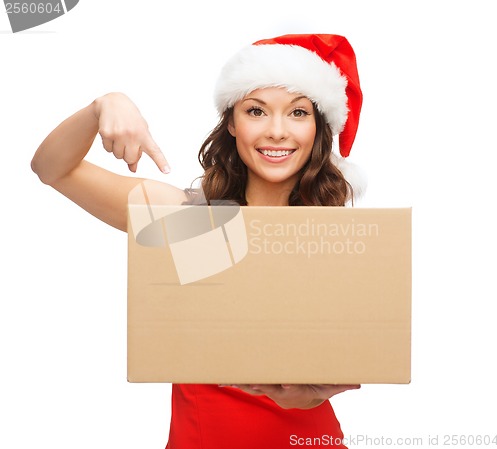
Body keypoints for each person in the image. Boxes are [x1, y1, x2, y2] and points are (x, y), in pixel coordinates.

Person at [32, 34, 365, 449]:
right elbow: (52, 169)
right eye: (256, 111)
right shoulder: (188, 219)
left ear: (317, 128)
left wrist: (312, 393)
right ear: (231, 122)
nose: (277, 131)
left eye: (297, 112)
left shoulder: (335, 238)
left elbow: (357, 362)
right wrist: (103, 105)